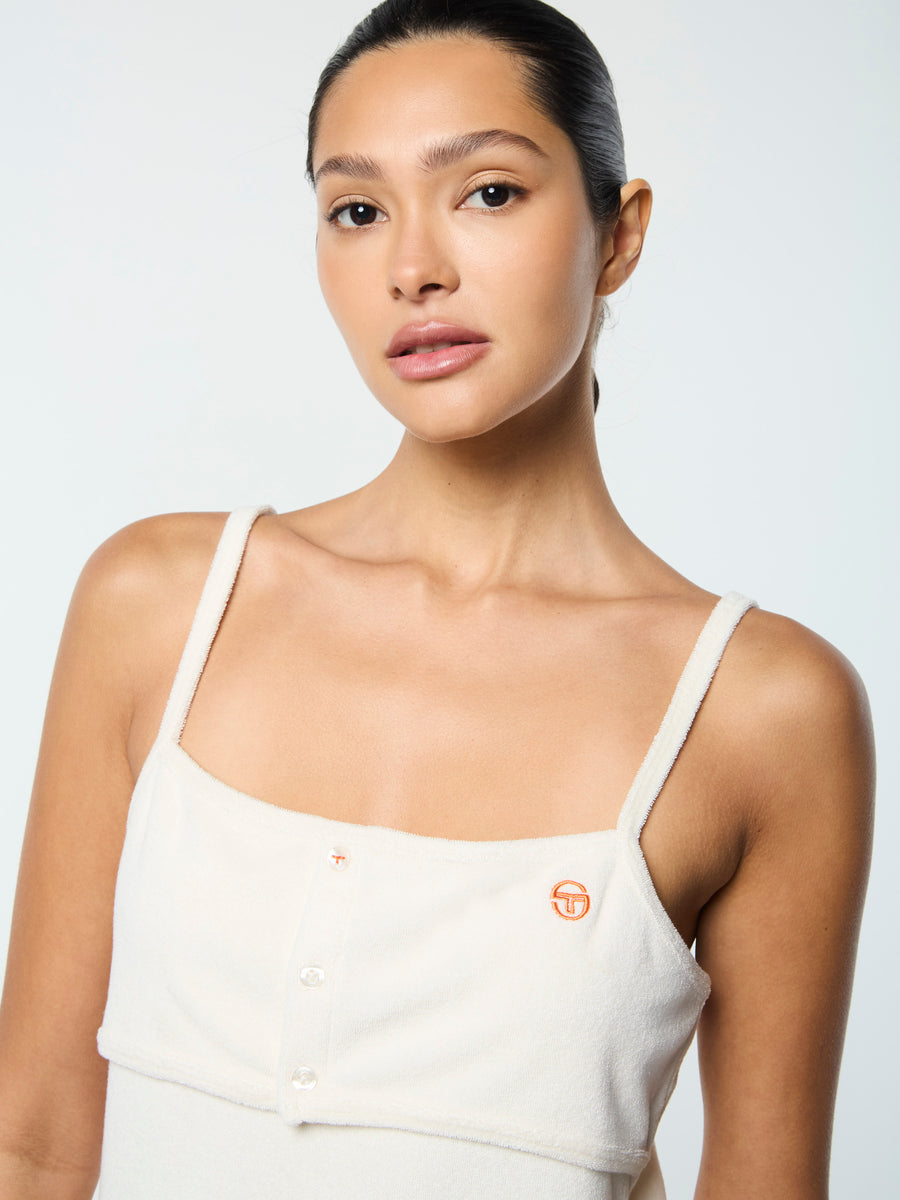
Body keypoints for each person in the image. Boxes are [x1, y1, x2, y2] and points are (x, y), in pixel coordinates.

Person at [0, 0, 875, 1196]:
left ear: (619, 235)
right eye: (357, 211)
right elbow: (30, 1143)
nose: (414, 269)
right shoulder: (157, 604)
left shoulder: (764, 708)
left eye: (489, 193)